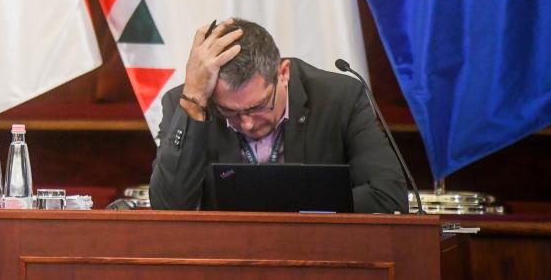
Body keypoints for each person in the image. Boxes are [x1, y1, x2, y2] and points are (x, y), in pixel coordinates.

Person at [149, 18, 407, 213]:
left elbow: (388, 195)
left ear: (283, 73)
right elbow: (168, 208)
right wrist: (193, 103)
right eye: (229, 112)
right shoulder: (189, 103)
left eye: (258, 106)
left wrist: (285, 205)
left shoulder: (339, 98)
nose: (247, 123)